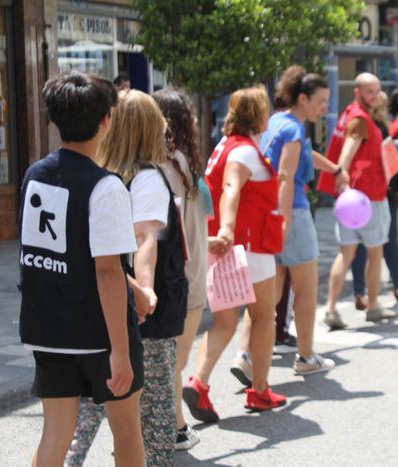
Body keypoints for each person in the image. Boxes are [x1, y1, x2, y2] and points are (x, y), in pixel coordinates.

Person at [22, 72, 144, 467]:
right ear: (106, 120)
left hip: (48, 326)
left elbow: (63, 252)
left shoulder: (34, 175)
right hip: (99, 332)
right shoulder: (106, 187)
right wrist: (121, 352)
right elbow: (106, 271)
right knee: (126, 430)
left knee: (55, 433)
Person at [66, 89, 188, 467]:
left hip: (98, 303)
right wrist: (146, 292)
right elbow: (144, 238)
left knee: (91, 407)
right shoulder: (147, 178)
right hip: (139, 310)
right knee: (152, 415)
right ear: (150, 127)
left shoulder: (100, 175)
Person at [229, 66, 338, 386]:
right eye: (320, 101)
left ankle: (244, 355)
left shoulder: (277, 122)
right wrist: (286, 219)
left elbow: (303, 156)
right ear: (302, 98)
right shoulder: (292, 130)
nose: (325, 108)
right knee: (305, 289)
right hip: (291, 213)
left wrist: (334, 167)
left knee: (266, 294)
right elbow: (287, 177)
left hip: (263, 215)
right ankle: (306, 356)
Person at [185, 86, 287, 421]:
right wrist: (228, 228)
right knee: (263, 317)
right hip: (248, 247)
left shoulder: (224, 146)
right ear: (259, 115)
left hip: (224, 247)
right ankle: (259, 391)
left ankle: (198, 383)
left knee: (226, 322)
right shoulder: (243, 152)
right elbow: (231, 187)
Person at [152, 88, 209, 451]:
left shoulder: (162, 163)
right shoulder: (174, 164)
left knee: (168, 358)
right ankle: (173, 427)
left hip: (179, 274)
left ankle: (168, 426)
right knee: (174, 359)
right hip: (184, 278)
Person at [317, 73, 397, 329]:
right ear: (357, 92)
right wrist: (342, 175)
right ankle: (373, 306)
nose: (375, 95)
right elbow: (347, 152)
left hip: (351, 198)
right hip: (367, 197)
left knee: (347, 252)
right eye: (370, 91)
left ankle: (331, 308)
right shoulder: (360, 119)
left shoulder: (349, 113)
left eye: (377, 90)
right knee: (375, 252)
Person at [351, 91, 398, 306]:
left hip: (358, 191)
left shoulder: (356, 124)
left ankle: (360, 293)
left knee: (359, 244)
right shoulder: (378, 127)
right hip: (380, 191)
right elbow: (388, 155)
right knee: (387, 240)